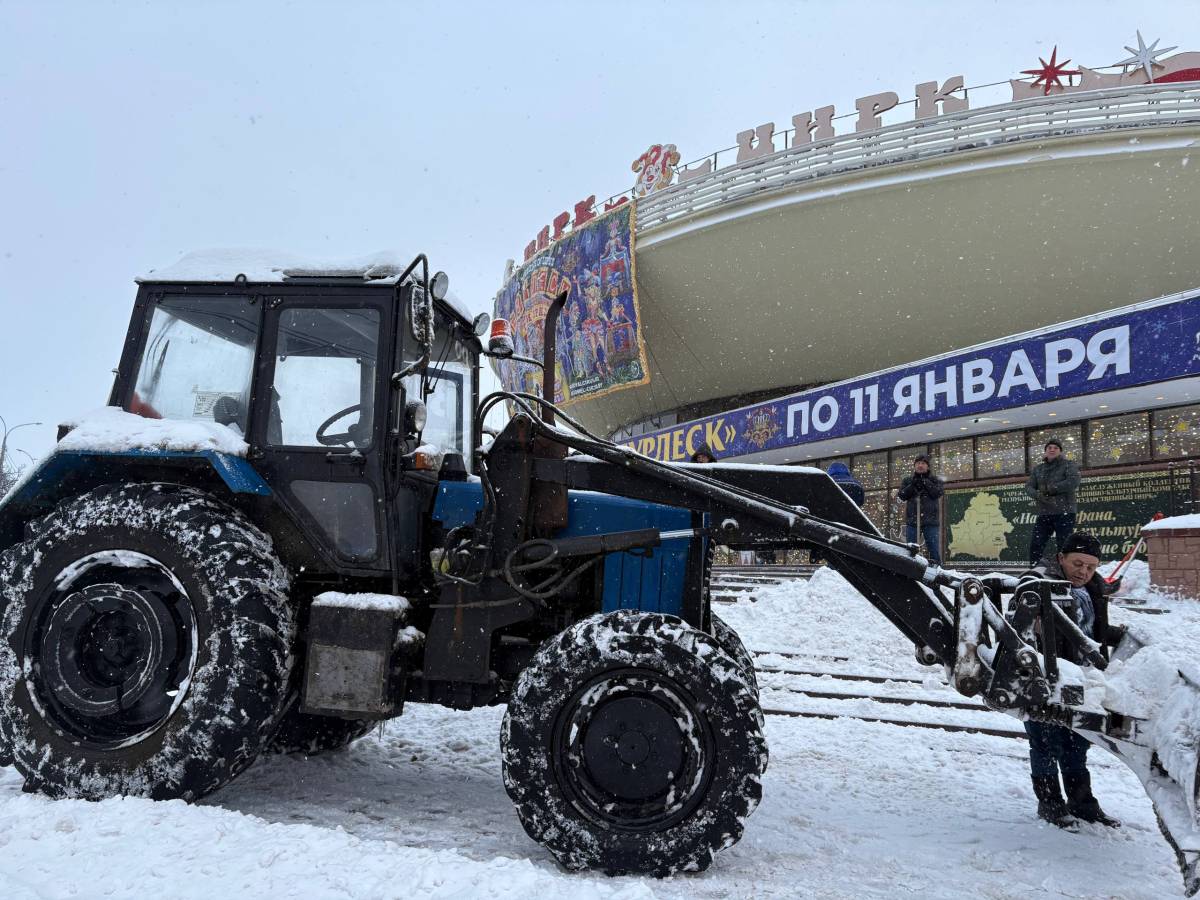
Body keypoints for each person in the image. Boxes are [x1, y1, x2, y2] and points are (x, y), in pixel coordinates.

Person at [1020, 531, 1126, 829]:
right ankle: (1050, 804)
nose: (1083, 572)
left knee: (1077, 742)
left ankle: (1083, 804)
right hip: (1043, 677)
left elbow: (1090, 629)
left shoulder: (1092, 586)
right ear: (1060, 558)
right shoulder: (1038, 583)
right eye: (1077, 563)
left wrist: (1117, 635)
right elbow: (1020, 624)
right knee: (1044, 743)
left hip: (1080, 678)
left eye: (1091, 566)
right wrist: (1036, 626)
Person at [1026, 438, 1081, 566]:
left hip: (1065, 512)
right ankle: (1034, 569)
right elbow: (1028, 487)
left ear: (1060, 451)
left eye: (1055, 448)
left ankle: (1065, 571)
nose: (1052, 449)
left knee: (1064, 545)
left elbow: (1074, 481)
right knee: (1036, 544)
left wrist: (1052, 489)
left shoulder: (1069, 465)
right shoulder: (1038, 469)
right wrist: (1038, 495)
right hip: (1045, 513)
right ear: (1045, 451)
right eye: (1049, 447)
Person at [897, 455, 943, 565]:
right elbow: (902, 495)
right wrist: (913, 484)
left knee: (933, 549)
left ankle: (937, 571)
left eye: (923, 463)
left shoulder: (935, 479)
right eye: (918, 463)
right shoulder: (908, 480)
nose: (920, 465)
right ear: (914, 466)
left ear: (928, 466)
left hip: (930, 521)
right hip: (913, 521)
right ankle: (911, 569)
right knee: (911, 550)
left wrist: (925, 482)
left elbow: (937, 493)